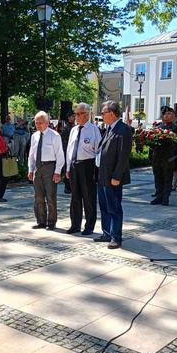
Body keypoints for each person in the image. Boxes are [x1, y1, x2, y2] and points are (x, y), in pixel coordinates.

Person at [94, 100, 132, 249]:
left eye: (103, 113)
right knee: (104, 206)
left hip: (113, 177)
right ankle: (106, 233)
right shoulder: (109, 129)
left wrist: (117, 176)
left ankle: (116, 236)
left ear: (111, 113)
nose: (102, 115)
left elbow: (123, 156)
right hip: (103, 175)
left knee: (114, 207)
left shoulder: (123, 129)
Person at [65, 103, 100, 235]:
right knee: (75, 197)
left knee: (88, 197)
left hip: (87, 165)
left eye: (79, 114)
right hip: (74, 166)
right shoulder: (74, 130)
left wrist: (96, 168)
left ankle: (89, 226)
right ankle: (75, 224)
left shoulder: (93, 129)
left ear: (86, 114)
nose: (77, 117)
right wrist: (68, 167)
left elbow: (98, 150)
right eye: (76, 114)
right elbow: (69, 150)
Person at [28, 111, 64, 230]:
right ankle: (41, 221)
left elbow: (60, 155)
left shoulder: (55, 136)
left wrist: (57, 171)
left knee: (50, 197)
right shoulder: (34, 136)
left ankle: (51, 222)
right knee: (38, 197)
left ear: (47, 123)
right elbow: (31, 154)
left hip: (50, 167)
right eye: (36, 122)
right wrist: (30, 169)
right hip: (38, 168)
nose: (38, 125)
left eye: (40, 122)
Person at [151, 106, 177, 206]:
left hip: (168, 157)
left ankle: (165, 197)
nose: (169, 115)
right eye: (166, 113)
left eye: (171, 114)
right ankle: (159, 196)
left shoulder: (175, 128)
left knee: (167, 177)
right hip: (157, 156)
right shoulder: (158, 127)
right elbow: (152, 141)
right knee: (157, 176)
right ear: (163, 116)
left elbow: (176, 142)